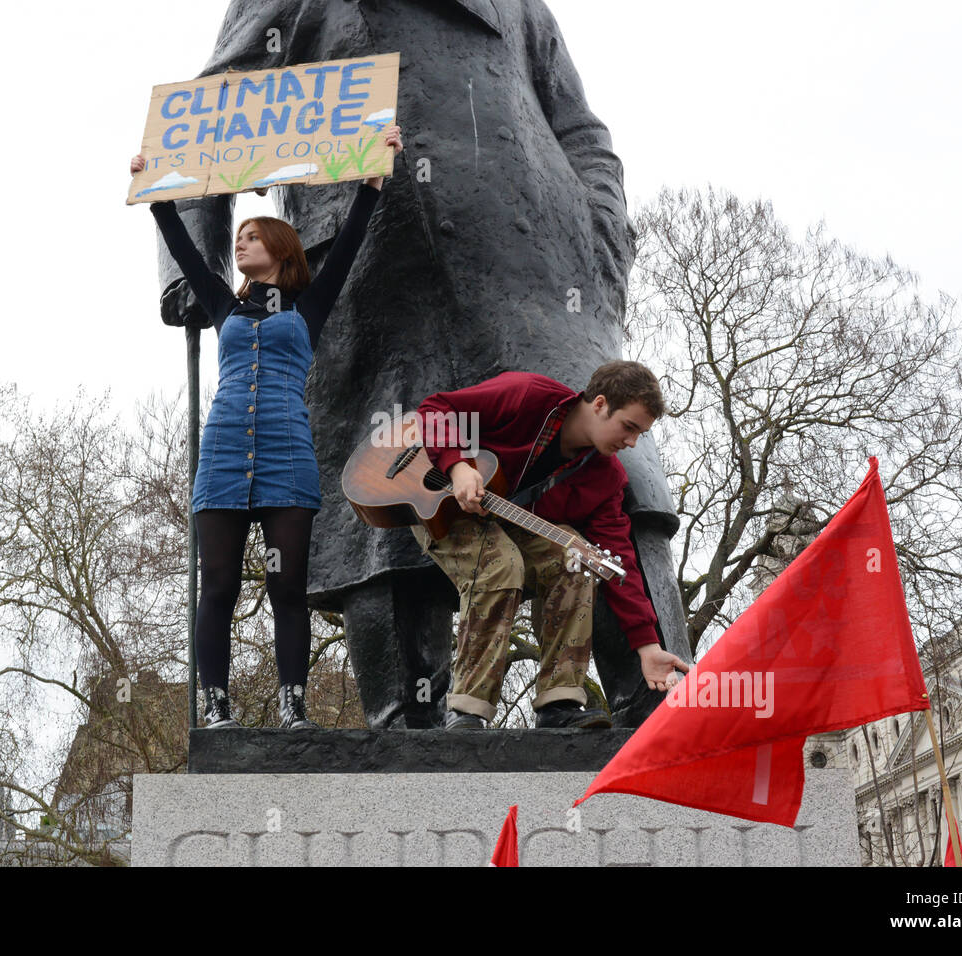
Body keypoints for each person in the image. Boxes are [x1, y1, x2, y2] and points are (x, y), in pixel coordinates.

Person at [157, 0, 689, 730]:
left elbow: (582, 131)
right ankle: (416, 726)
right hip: (380, 269)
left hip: (542, 273)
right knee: (395, 501)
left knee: (624, 494)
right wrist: (192, 266)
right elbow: (216, 111)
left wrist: (601, 244)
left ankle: (659, 707)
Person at [130, 125, 404, 729]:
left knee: (288, 587)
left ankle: (293, 705)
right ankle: (217, 706)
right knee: (218, 586)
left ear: (280, 247)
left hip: (287, 458)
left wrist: (372, 183)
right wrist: (155, 191)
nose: (241, 244)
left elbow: (353, 242)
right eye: (238, 237)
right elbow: (181, 245)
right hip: (223, 458)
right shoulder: (225, 306)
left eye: (252, 236)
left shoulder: (309, 306)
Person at [412, 361, 689, 729]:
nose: (632, 442)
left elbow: (621, 562)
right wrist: (457, 465)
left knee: (577, 558)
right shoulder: (527, 395)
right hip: (443, 506)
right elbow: (434, 409)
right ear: (600, 404)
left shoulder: (607, 478)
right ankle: (467, 710)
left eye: (641, 434)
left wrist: (648, 646)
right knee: (500, 564)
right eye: (629, 427)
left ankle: (559, 704)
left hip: (512, 525)